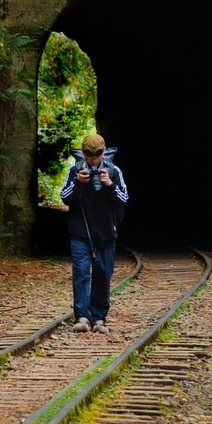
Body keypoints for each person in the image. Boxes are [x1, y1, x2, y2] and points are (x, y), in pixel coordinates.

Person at [60, 132, 128, 334]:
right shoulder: (75, 171)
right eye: (89, 154)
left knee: (102, 274)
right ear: (83, 153)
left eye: (97, 154)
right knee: (81, 272)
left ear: (103, 151)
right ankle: (82, 316)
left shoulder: (114, 172)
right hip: (80, 232)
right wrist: (78, 184)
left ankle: (99, 317)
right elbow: (65, 197)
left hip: (106, 233)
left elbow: (123, 199)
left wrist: (109, 185)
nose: (93, 158)